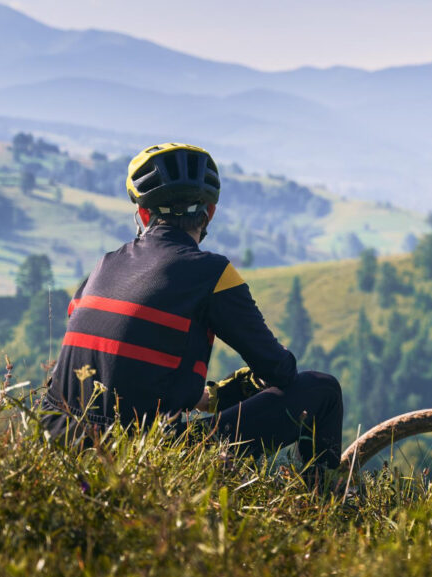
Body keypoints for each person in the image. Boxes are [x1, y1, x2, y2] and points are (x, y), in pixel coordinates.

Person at [41, 143, 343, 479]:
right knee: (322, 389)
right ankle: (325, 504)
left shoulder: (102, 267)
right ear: (209, 213)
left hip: (55, 443)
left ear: (142, 214)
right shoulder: (211, 273)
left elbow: (115, 365)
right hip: (143, 455)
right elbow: (280, 372)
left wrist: (209, 397)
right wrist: (232, 390)